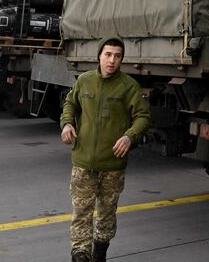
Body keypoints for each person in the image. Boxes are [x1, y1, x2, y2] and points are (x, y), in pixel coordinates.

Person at [60, 38, 150, 262]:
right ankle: (80, 254)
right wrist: (67, 123)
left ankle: (100, 250)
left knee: (107, 216)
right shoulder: (84, 81)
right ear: (99, 55)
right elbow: (70, 104)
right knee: (81, 213)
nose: (112, 60)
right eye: (108, 54)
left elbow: (142, 116)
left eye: (117, 56)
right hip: (83, 163)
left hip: (112, 165)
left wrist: (130, 137)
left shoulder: (129, 86)